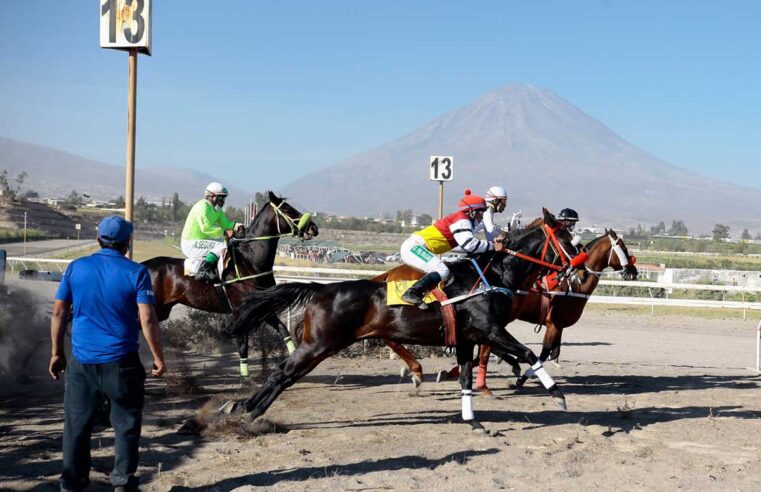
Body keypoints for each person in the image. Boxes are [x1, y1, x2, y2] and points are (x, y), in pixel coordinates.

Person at [49, 215, 166, 492]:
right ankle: (122, 483)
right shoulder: (136, 272)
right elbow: (147, 319)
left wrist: (56, 352)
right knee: (125, 425)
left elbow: (58, 312)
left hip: (82, 363)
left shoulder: (76, 268)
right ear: (127, 242)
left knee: (76, 426)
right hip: (122, 363)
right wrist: (158, 358)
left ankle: (71, 483)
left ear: (98, 238)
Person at [400, 189, 504, 309]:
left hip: (416, 246)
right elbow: (469, 244)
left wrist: (490, 244)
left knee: (446, 270)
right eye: (481, 212)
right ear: (471, 211)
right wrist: (492, 246)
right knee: (442, 270)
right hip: (413, 247)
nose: (482, 216)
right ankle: (412, 293)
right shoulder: (461, 219)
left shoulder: (463, 220)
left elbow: (462, 247)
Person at [181, 182, 242, 282]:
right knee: (223, 246)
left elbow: (226, 224)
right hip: (190, 243)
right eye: (221, 198)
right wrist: (224, 233)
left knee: (224, 245)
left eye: (224, 198)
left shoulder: (217, 210)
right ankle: (203, 270)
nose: (223, 201)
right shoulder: (202, 206)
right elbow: (205, 228)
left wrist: (237, 226)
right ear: (212, 196)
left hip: (199, 243)